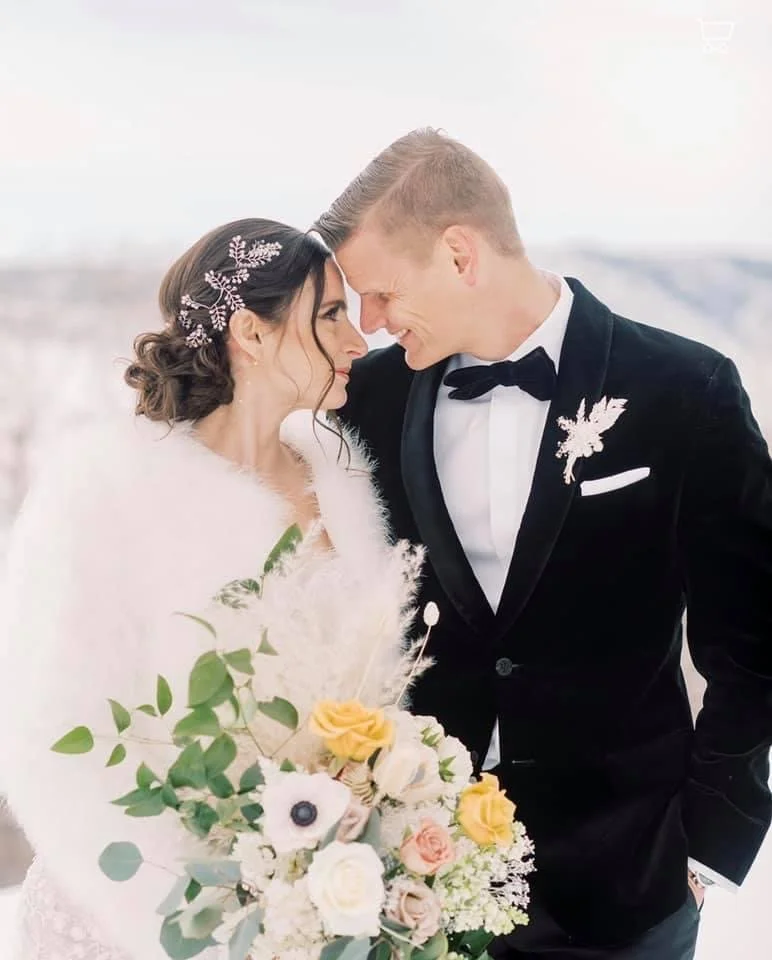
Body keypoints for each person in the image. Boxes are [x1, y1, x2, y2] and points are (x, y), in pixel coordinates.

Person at [315, 128, 772, 959]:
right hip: (421, 884)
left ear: (460, 254)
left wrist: (714, 838)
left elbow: (751, 642)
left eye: (379, 293)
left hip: (631, 881)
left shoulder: (687, 389)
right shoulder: (366, 404)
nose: (370, 325)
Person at [0, 219, 420, 960]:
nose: (358, 342)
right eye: (329, 315)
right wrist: (201, 924)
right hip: (139, 917)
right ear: (250, 333)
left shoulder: (342, 476)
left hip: (311, 911)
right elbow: (50, 743)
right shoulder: (106, 495)